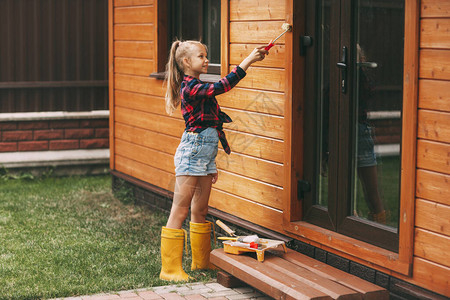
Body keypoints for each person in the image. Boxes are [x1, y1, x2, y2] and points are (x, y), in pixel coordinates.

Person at [160, 40, 268, 281]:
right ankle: (169, 270)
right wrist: (248, 60)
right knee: (180, 208)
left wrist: (211, 163)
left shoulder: (197, 85)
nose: (206, 60)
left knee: (201, 209)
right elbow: (222, 86)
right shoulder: (190, 87)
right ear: (187, 62)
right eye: (201, 56)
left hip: (204, 156)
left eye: (206, 55)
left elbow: (210, 125)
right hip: (192, 154)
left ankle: (201, 262)